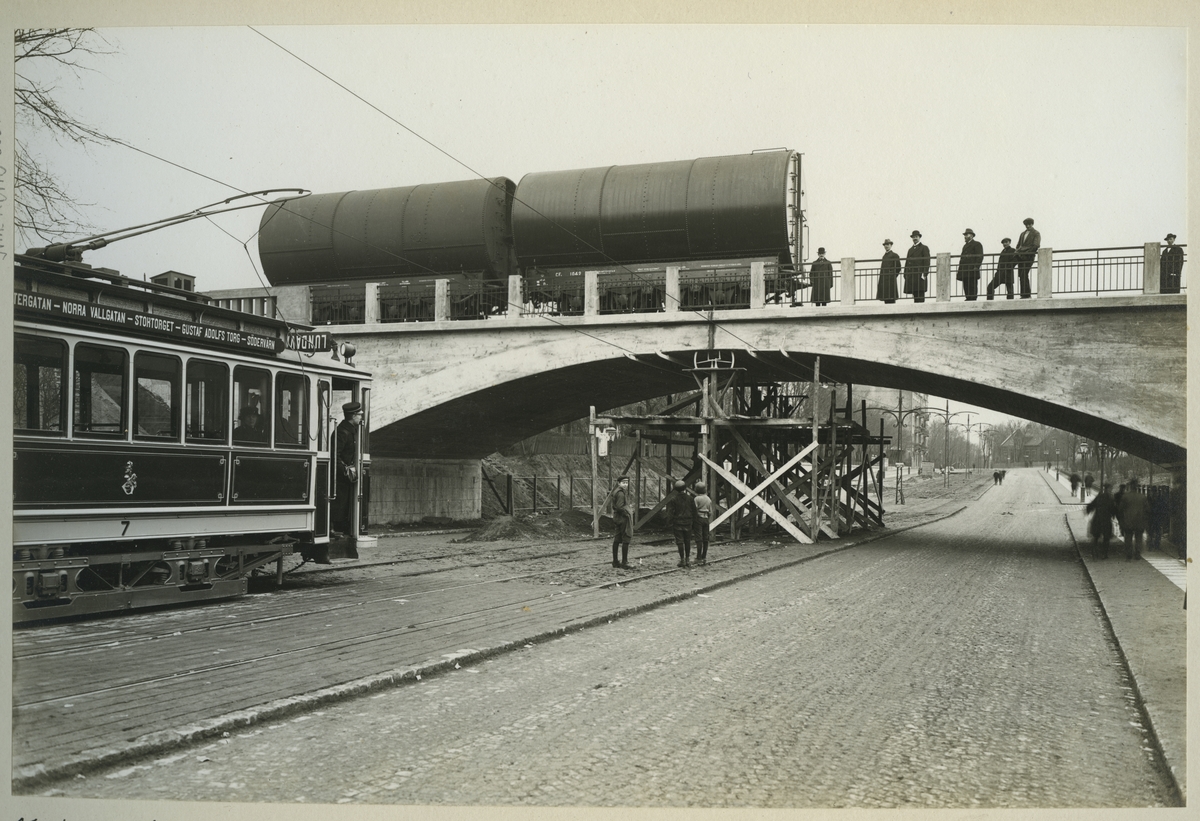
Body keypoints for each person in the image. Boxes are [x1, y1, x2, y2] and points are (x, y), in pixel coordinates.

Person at [331, 401, 364, 537]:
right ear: (353, 415)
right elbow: (335, 455)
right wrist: (345, 471)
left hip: (346, 476)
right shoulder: (343, 432)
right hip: (342, 477)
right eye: (359, 415)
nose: (361, 417)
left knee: (344, 504)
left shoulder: (349, 430)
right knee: (340, 504)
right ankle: (335, 529)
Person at [666, 479, 697, 567]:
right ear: (685, 488)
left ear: (675, 489)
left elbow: (670, 513)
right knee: (687, 541)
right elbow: (694, 511)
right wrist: (694, 523)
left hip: (677, 523)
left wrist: (668, 523)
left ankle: (682, 560)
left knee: (679, 541)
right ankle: (688, 560)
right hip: (688, 522)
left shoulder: (673, 499)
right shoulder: (690, 498)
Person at [1119, 479, 1150, 561]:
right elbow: (1148, 510)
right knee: (1139, 538)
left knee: (1128, 538)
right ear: (1137, 487)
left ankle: (1129, 555)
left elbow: (1120, 509)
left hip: (1128, 521)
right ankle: (1137, 554)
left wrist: (1122, 521)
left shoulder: (1125, 497)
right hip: (1139, 521)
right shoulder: (1143, 497)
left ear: (1130, 486)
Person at [1086, 484, 1117, 560]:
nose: (1111, 490)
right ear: (1108, 488)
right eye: (1110, 488)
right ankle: (1104, 554)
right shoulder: (1111, 498)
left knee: (1096, 537)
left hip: (1097, 519)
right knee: (1106, 537)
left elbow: (1091, 506)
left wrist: (1088, 511)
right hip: (1106, 520)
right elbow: (1113, 509)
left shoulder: (1099, 497)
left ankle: (1094, 553)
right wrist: (1114, 515)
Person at [610, 476, 633, 569]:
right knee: (626, 538)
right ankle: (624, 562)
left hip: (617, 517)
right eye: (623, 483)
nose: (625, 484)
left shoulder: (616, 491)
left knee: (617, 539)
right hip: (623, 518)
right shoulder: (621, 494)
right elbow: (619, 507)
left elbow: (615, 506)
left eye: (627, 483)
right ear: (618, 483)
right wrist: (626, 514)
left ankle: (615, 561)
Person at [1016, 218, 1040, 299]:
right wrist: (1018, 252)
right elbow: (1018, 245)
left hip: (1028, 257)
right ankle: (1024, 294)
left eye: (1029, 224)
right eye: (1026, 224)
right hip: (1020, 257)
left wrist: (1027, 252)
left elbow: (1036, 245)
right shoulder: (1022, 234)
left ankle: (1026, 294)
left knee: (1024, 273)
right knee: (1021, 275)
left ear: (1032, 224)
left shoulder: (1036, 233)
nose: (1028, 226)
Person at [903, 230, 930, 303]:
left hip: (920, 275)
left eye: (916, 237)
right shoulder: (910, 250)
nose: (915, 238)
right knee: (915, 295)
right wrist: (905, 274)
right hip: (912, 276)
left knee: (920, 294)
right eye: (913, 237)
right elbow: (907, 262)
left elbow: (927, 261)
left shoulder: (924, 247)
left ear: (919, 237)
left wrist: (924, 273)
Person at [957, 229, 984, 301]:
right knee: (966, 285)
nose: (965, 236)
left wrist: (976, 267)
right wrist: (960, 270)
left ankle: (973, 299)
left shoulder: (977, 244)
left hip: (972, 269)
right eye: (965, 235)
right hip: (965, 270)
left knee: (972, 285)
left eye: (966, 235)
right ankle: (968, 298)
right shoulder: (965, 246)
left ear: (971, 236)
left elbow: (980, 256)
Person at [692, 482, 713, 565]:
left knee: (699, 538)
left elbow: (694, 510)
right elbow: (710, 512)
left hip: (699, 519)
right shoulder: (708, 499)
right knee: (705, 538)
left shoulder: (696, 499)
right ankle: (704, 557)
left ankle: (698, 557)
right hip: (706, 519)